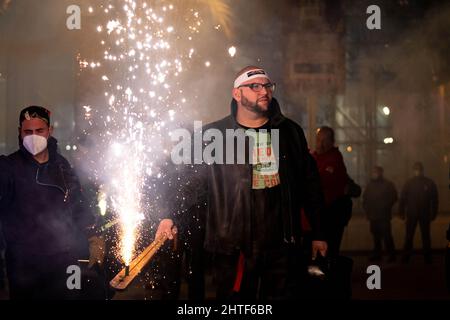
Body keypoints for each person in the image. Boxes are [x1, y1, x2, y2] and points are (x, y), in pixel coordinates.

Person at [156, 66, 327, 299]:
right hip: (232, 249)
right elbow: (190, 182)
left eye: (267, 85)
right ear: (237, 94)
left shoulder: (289, 132)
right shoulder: (213, 136)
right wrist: (169, 216)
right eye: (254, 86)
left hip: (281, 247)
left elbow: (310, 185)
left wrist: (319, 232)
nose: (264, 91)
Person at [0, 106, 105, 299]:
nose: (33, 136)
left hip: (65, 262)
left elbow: (78, 205)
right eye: (27, 132)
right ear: (19, 132)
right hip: (24, 268)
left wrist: (93, 236)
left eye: (39, 131)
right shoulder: (8, 168)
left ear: (50, 131)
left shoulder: (62, 166)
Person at [312, 126, 353, 258]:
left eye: (324, 140)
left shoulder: (335, 159)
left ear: (332, 142)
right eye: (319, 140)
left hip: (332, 214)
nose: (321, 143)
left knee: (330, 251)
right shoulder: (313, 158)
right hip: (318, 214)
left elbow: (323, 180)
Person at [399, 162, 438, 264]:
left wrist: (434, 213)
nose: (417, 171)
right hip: (415, 213)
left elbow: (434, 199)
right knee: (410, 236)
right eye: (416, 169)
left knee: (423, 236)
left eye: (418, 169)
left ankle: (424, 257)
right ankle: (410, 257)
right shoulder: (413, 183)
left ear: (421, 170)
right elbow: (403, 198)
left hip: (421, 213)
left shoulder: (427, 183)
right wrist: (401, 212)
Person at [362, 166, 398, 262]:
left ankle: (391, 255)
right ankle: (378, 254)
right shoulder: (370, 185)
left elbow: (394, 197)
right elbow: (365, 199)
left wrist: (385, 206)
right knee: (376, 237)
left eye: (376, 172)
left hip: (383, 215)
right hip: (374, 216)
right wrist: (367, 211)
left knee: (387, 236)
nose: (375, 174)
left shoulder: (388, 184)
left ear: (381, 173)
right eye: (374, 172)